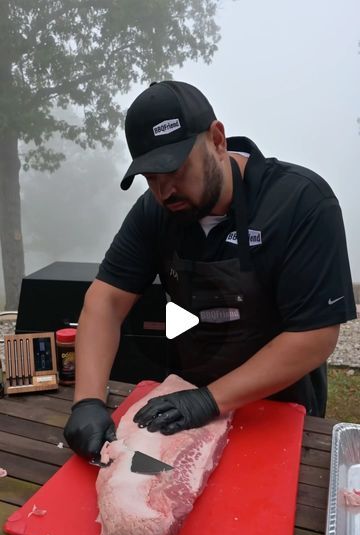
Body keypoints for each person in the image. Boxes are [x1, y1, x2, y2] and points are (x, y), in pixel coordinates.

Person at [64, 80, 356, 458]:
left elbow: (314, 336)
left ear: (218, 140)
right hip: (180, 411)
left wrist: (208, 400)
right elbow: (105, 302)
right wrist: (86, 401)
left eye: (174, 170)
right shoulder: (154, 214)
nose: (163, 191)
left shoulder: (300, 203)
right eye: (151, 177)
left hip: (279, 409)